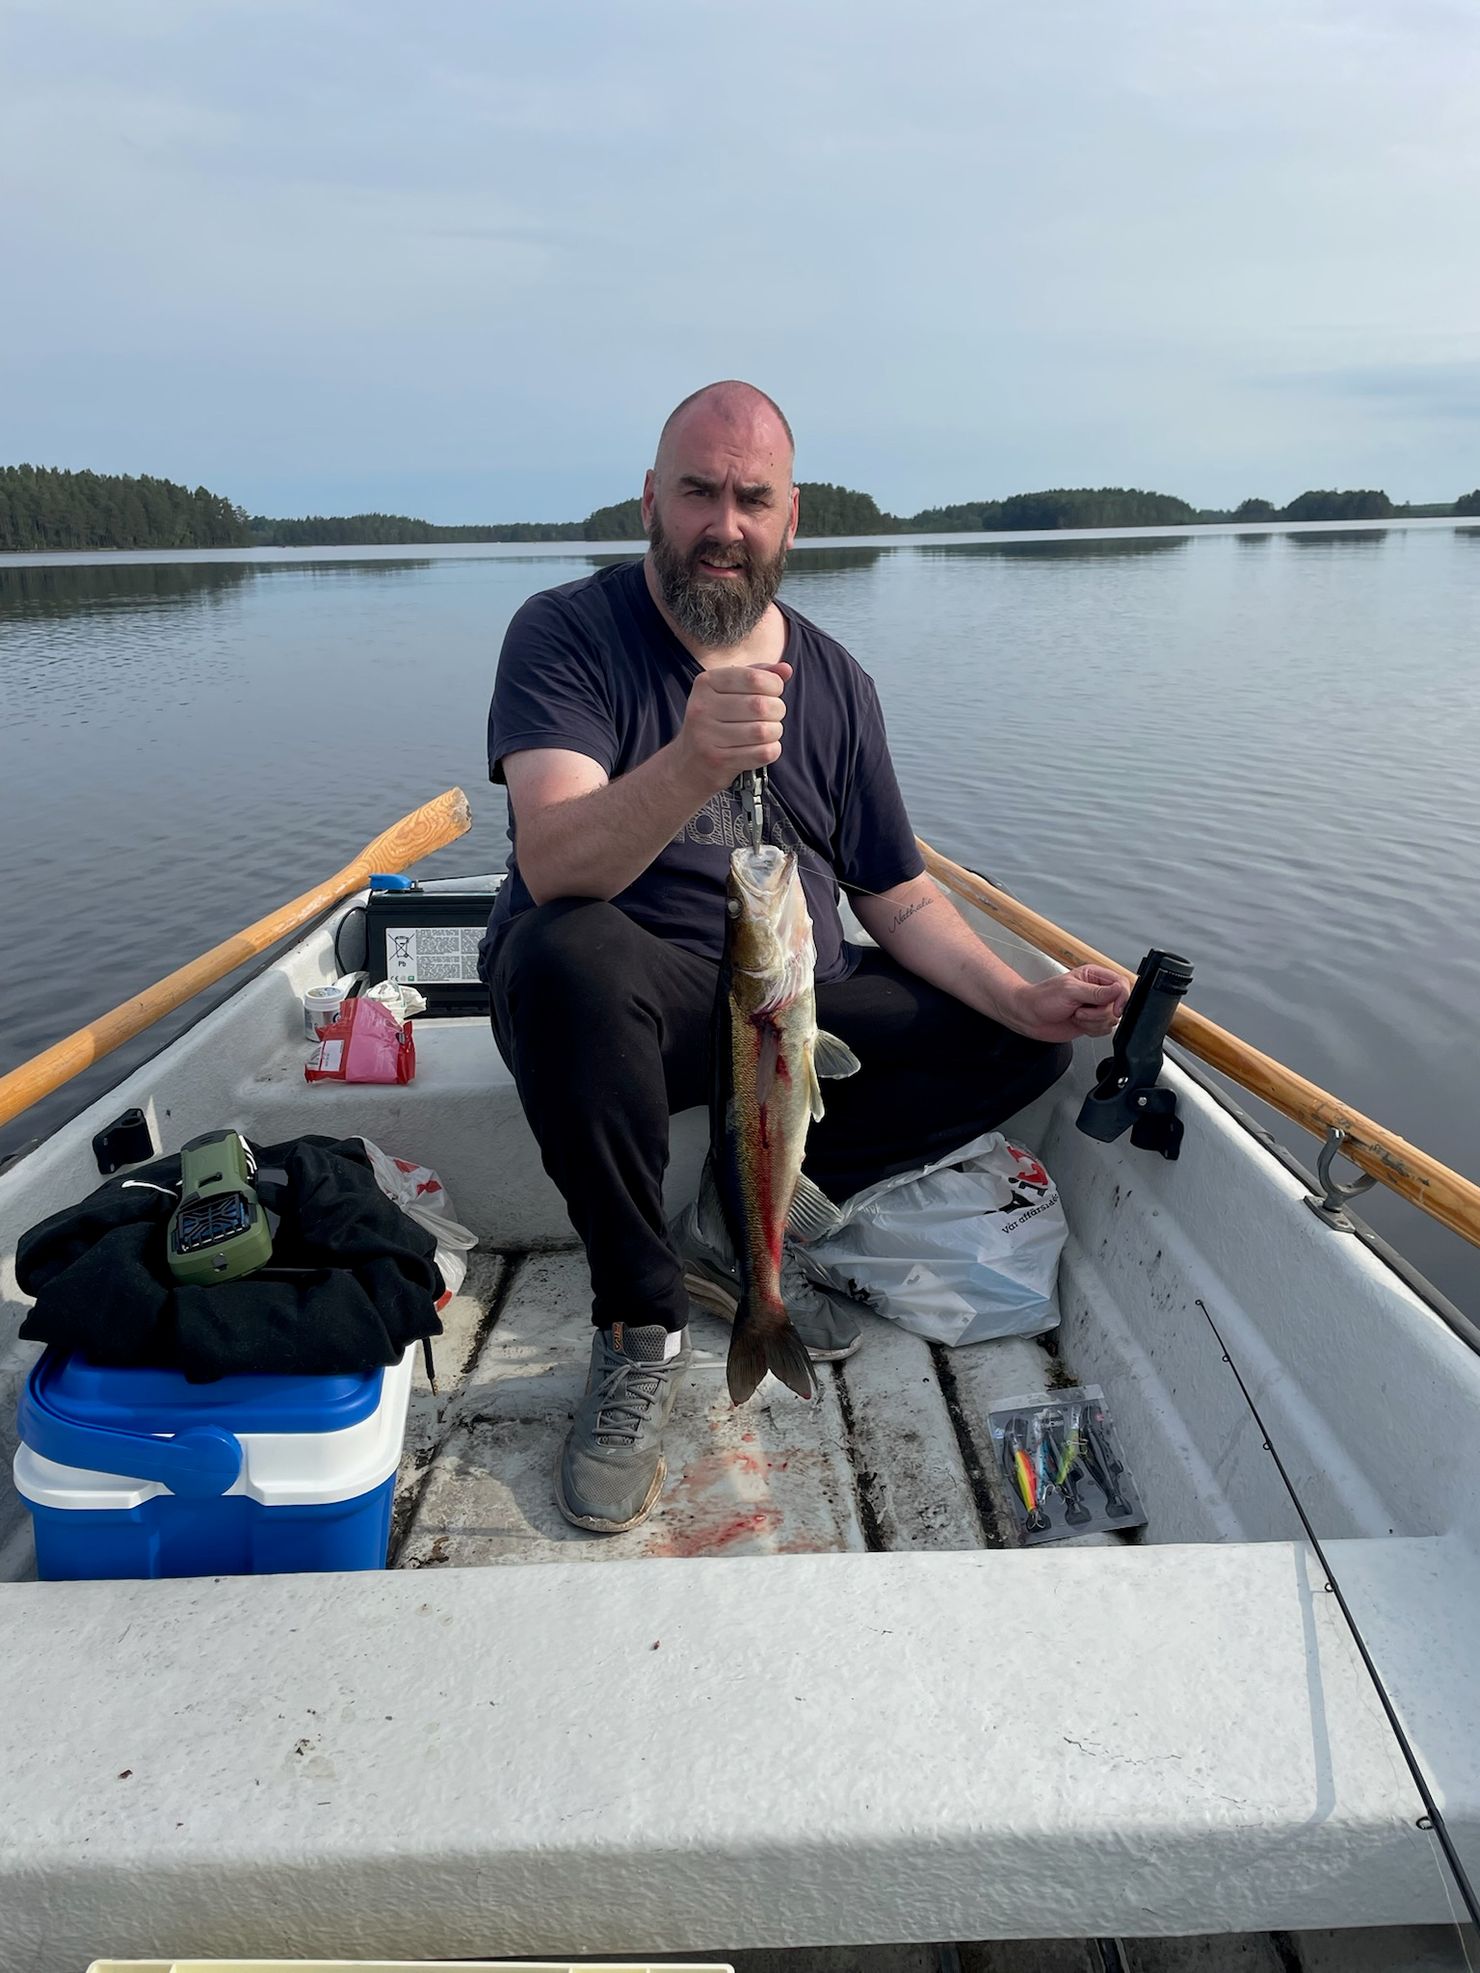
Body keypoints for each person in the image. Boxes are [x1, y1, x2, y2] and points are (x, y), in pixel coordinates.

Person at [479, 380, 1128, 1535]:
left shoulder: (837, 681)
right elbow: (555, 858)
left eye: (752, 499)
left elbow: (898, 891)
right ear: (649, 501)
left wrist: (1022, 994)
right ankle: (639, 1319)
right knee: (563, 952)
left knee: (1019, 1041)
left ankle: (738, 1227)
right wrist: (691, 758)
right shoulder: (566, 632)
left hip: (792, 1002)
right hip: (633, 1001)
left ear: (791, 519)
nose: (722, 525)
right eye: (698, 493)